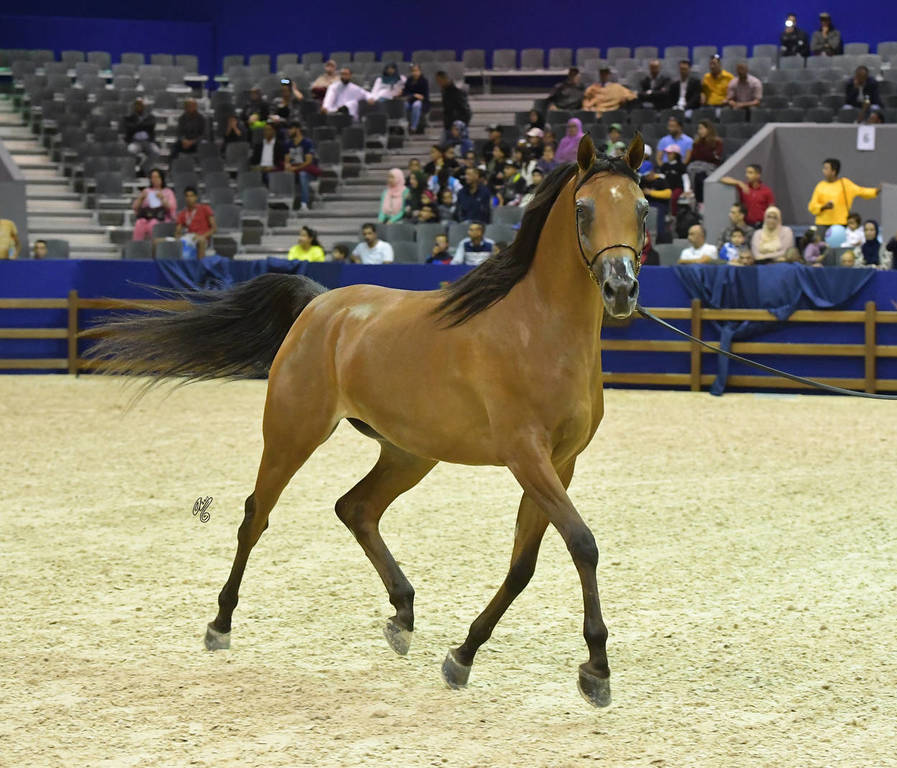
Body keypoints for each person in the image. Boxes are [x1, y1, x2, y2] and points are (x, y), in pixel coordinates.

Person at [807, 158, 881, 227]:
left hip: (841, 224)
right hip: (822, 224)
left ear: (833, 171)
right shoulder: (820, 186)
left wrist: (876, 191)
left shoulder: (845, 184)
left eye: (826, 168)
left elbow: (861, 191)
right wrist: (823, 207)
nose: (823, 171)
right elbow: (812, 206)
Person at [131, 168, 176, 241]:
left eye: (157, 177)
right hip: (147, 216)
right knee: (139, 223)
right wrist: (141, 198)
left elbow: (172, 208)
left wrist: (163, 199)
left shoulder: (168, 192)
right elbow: (135, 207)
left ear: (161, 178)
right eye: (152, 177)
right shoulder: (146, 191)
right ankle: (138, 246)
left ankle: (154, 248)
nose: (154, 179)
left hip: (161, 217)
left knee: (153, 223)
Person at [174, 186, 216, 259]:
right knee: (158, 242)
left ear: (196, 197)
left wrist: (202, 236)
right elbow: (178, 231)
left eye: (191, 196)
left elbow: (214, 228)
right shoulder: (182, 213)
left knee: (201, 241)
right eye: (187, 196)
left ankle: (200, 268)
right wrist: (178, 236)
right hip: (189, 238)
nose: (189, 198)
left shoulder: (205, 208)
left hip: (202, 237)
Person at [687, 119, 723, 204]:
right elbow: (695, 156)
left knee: (700, 175)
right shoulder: (697, 143)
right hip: (697, 165)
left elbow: (714, 157)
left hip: (711, 166)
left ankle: (702, 199)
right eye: (699, 129)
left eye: (702, 128)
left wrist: (706, 153)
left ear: (709, 129)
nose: (700, 131)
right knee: (693, 169)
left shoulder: (717, 142)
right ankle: (696, 196)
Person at [284, 122, 316, 211]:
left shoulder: (307, 143)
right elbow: (287, 159)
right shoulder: (288, 143)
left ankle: (304, 203)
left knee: (303, 174)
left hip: (305, 170)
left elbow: (308, 161)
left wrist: (296, 168)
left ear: (297, 129)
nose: (288, 131)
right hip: (293, 169)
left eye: (291, 129)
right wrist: (287, 166)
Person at [123, 98, 159, 174]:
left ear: (144, 106)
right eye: (137, 105)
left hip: (148, 141)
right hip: (135, 142)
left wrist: (137, 126)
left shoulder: (150, 117)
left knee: (156, 152)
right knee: (130, 151)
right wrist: (142, 125)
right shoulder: (129, 117)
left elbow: (151, 125)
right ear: (134, 106)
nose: (139, 107)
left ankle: (143, 169)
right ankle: (132, 169)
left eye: (141, 105)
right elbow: (130, 127)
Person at [435, 70, 472, 141]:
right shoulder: (444, 91)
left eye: (439, 81)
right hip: (448, 126)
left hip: (457, 127)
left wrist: (460, 126)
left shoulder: (456, 92)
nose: (438, 83)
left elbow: (466, 111)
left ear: (444, 79)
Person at [401, 63, 430, 134]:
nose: (415, 73)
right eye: (413, 71)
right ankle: (403, 127)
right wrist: (414, 95)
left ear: (420, 71)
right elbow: (405, 92)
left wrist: (419, 97)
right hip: (410, 100)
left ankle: (413, 127)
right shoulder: (409, 80)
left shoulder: (424, 81)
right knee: (404, 105)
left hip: (422, 102)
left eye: (417, 71)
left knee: (416, 105)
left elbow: (425, 96)